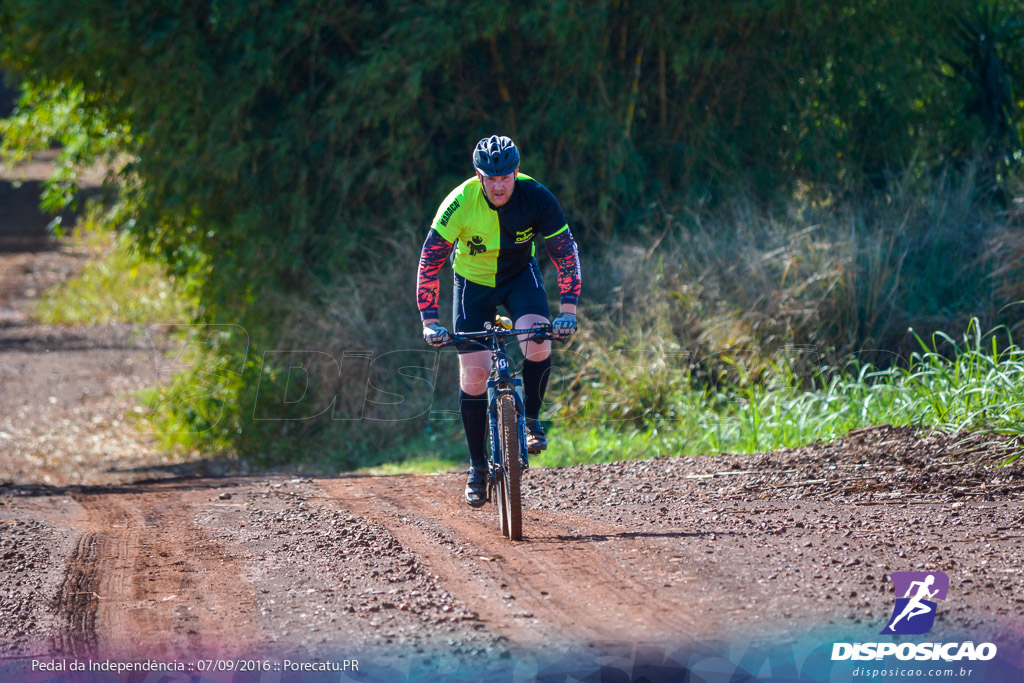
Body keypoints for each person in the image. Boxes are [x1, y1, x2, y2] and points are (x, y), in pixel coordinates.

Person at [416, 135, 582, 507]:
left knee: (538, 341)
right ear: (479, 177)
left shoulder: (536, 196)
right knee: (474, 375)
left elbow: (565, 252)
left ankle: (532, 421)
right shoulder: (458, 203)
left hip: (519, 277)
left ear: (515, 173)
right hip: (471, 283)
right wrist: (430, 319)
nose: (498, 185)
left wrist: (567, 311)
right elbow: (430, 262)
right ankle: (477, 467)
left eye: (505, 176)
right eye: (490, 178)